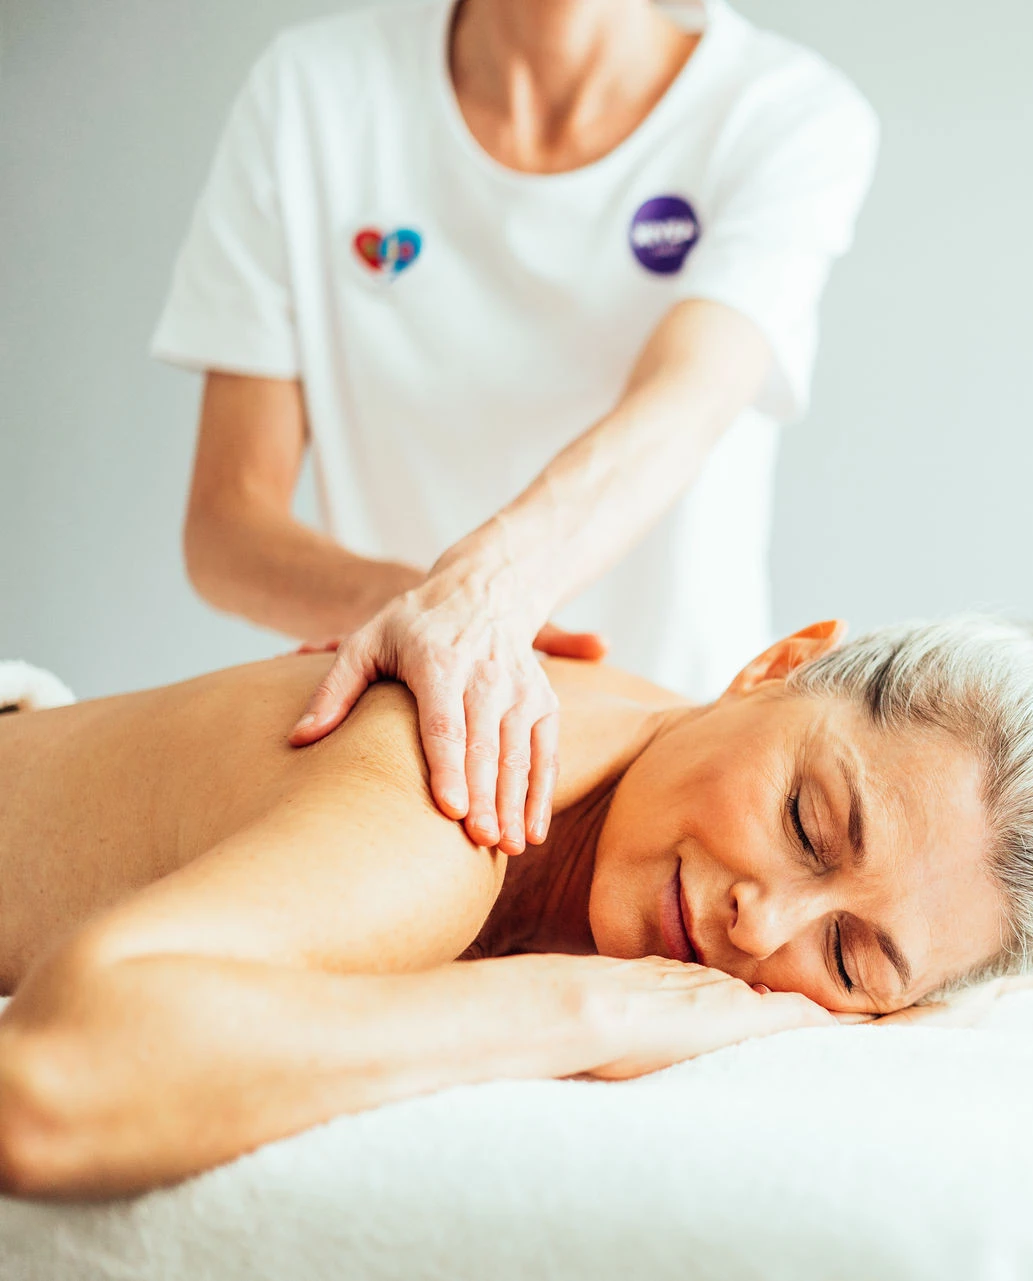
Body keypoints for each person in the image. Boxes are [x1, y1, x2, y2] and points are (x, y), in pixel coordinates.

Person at [0, 619, 1033, 1200]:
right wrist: (583, 1007)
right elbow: (51, 1087)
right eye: (804, 825)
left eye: (847, 951)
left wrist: (910, 992)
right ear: (778, 662)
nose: (762, 923)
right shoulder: (460, 799)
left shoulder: (716, 773)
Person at [159, 0, 879, 860]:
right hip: (417, 768)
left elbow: (685, 401)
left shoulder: (780, 112)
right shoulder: (313, 94)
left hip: (683, 785)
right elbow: (226, 525)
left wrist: (480, 602)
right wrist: (420, 616)